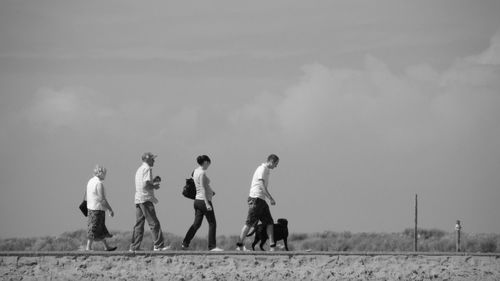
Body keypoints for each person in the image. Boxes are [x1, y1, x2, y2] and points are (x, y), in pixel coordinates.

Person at [236, 154, 280, 251]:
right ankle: (239, 245)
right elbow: (261, 185)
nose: (276, 166)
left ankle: (272, 246)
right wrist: (270, 198)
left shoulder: (266, 170)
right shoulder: (262, 169)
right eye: (276, 164)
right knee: (249, 223)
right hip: (255, 199)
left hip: (261, 200)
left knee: (269, 222)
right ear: (271, 161)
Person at [181, 155, 223, 251]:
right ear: (205, 162)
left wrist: (211, 192)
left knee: (196, 224)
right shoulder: (202, 173)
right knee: (212, 223)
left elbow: (199, 185)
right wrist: (207, 203)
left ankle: (185, 243)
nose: (209, 165)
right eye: (208, 163)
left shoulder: (195, 171)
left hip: (197, 201)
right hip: (203, 201)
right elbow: (202, 189)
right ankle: (212, 247)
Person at [130, 152, 170, 251]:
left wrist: (153, 181)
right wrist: (154, 186)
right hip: (146, 199)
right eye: (152, 159)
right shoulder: (147, 169)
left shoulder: (140, 169)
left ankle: (134, 247)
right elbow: (146, 185)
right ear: (147, 159)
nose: (154, 161)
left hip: (138, 199)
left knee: (139, 224)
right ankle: (158, 245)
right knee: (154, 223)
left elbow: (143, 183)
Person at [86, 165, 117, 251]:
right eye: (104, 173)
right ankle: (88, 247)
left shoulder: (90, 181)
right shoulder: (98, 183)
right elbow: (102, 199)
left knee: (100, 228)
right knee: (94, 227)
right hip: (97, 208)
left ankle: (106, 246)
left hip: (91, 207)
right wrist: (110, 209)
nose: (105, 175)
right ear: (100, 173)